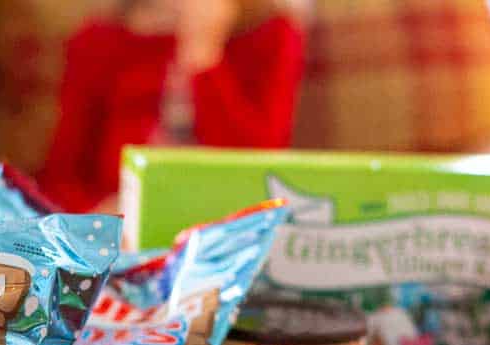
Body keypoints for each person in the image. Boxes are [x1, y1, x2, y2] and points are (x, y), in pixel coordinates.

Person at [37, 0, 306, 212]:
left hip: (228, 230)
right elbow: (61, 177)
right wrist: (97, 219)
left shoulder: (273, 34)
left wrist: (204, 55)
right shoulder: (98, 41)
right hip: (121, 238)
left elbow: (261, 168)